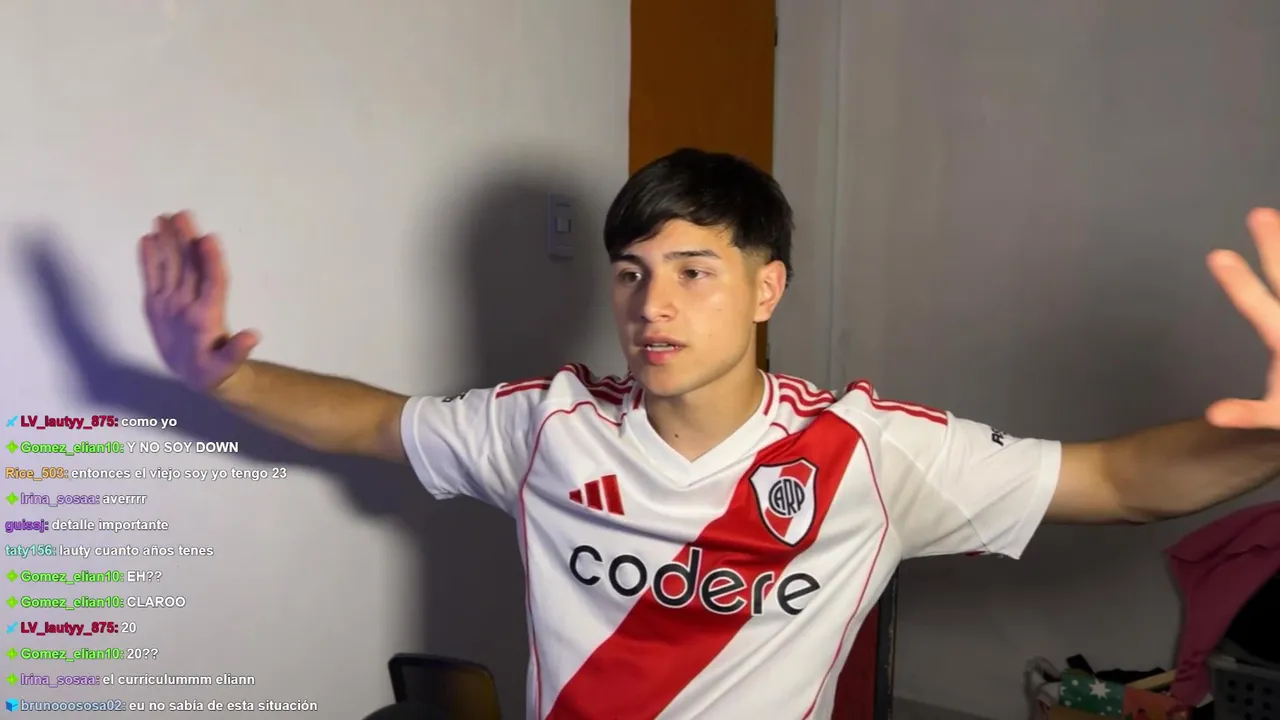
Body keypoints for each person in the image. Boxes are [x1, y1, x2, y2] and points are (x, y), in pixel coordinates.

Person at [138, 148, 1280, 720]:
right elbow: (377, 424)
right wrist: (218, 373)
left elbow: (1116, 481)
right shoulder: (547, 426)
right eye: (632, 274)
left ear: (765, 288)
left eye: (694, 271)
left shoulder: (867, 452)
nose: (653, 306)